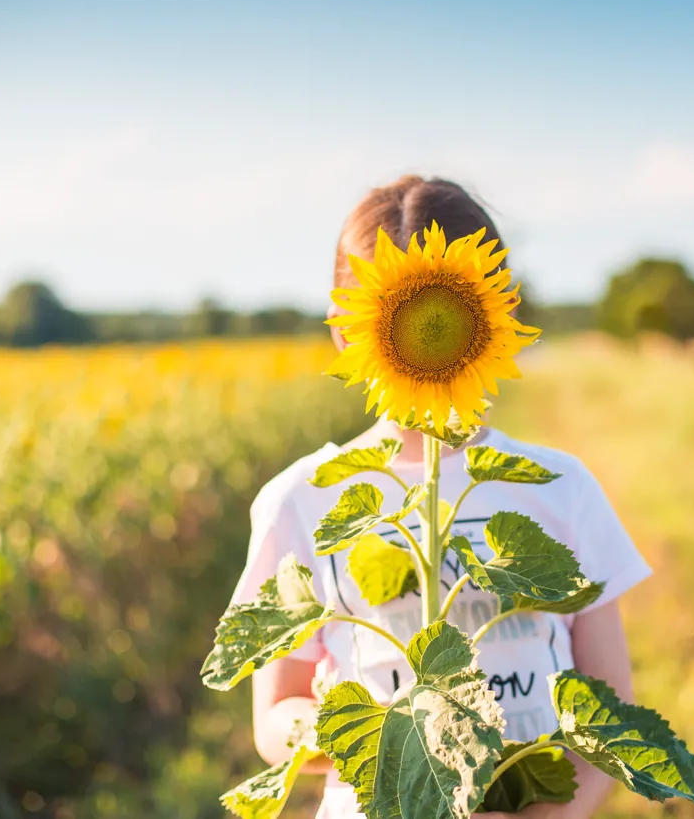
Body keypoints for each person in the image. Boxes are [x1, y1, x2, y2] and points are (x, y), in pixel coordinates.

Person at [233, 175, 653, 818]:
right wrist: (367, 732)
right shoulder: (304, 499)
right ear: (347, 331)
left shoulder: (561, 489)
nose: (429, 332)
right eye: (396, 314)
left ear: (498, 312)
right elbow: (275, 721)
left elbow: (608, 710)